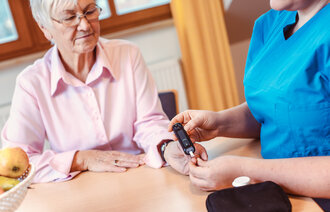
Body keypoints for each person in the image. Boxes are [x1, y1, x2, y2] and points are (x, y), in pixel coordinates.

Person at [1, 0, 206, 183]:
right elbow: (18, 165)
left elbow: (149, 123)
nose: (84, 25)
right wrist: (81, 159)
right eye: (70, 17)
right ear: (45, 28)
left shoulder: (128, 55)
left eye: (90, 11)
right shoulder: (31, 83)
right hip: (81, 190)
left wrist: (166, 148)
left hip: (139, 176)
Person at [166, 0, 330, 198]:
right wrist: (219, 123)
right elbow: (282, 110)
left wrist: (247, 171)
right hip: (277, 192)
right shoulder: (269, 24)